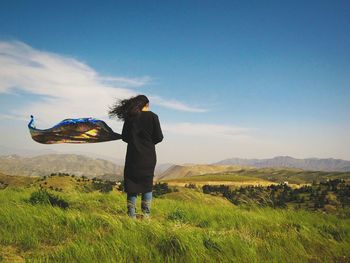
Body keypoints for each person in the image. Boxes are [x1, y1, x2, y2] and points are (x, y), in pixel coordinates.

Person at [108, 94, 164, 219]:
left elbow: (125, 137)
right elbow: (159, 137)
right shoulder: (153, 117)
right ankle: (146, 216)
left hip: (133, 156)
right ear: (147, 104)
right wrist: (148, 143)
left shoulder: (130, 117)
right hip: (148, 157)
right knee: (147, 186)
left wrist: (135, 142)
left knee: (131, 186)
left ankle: (131, 216)